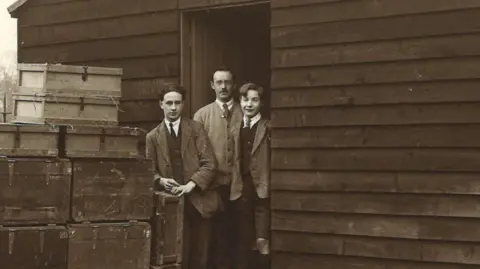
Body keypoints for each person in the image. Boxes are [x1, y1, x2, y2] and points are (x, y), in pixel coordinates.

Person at [146, 84, 219, 269]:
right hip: (171, 206)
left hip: (199, 203)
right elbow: (148, 171)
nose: (173, 107)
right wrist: (161, 180)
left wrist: (191, 185)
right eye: (169, 103)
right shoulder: (153, 137)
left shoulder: (196, 129)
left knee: (200, 257)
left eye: (177, 103)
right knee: (176, 258)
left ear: (183, 104)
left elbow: (210, 164)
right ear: (161, 104)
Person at [193, 67, 243, 269]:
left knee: (238, 237)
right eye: (219, 82)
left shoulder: (244, 110)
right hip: (213, 188)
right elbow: (195, 154)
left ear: (234, 85)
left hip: (240, 187)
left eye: (227, 82)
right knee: (214, 239)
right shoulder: (202, 115)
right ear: (212, 86)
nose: (223, 86)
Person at [230, 82, 270, 269]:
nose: (249, 104)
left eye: (254, 100)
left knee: (262, 238)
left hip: (262, 188)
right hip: (241, 188)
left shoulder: (267, 127)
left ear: (261, 103)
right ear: (240, 101)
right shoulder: (235, 128)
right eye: (246, 100)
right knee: (242, 237)